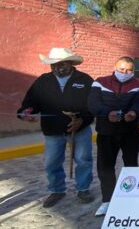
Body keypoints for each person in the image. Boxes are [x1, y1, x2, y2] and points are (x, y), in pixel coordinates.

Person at [17, 48, 94, 208]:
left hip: (79, 129)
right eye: (54, 64)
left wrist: (82, 120)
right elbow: (30, 102)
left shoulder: (85, 80)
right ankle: (57, 190)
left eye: (62, 63)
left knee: (83, 160)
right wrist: (26, 112)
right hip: (52, 131)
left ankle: (83, 189)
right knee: (51, 163)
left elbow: (93, 106)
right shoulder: (43, 81)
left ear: (71, 63)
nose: (57, 67)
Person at [88, 56, 139, 217]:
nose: (125, 73)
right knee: (105, 167)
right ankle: (107, 200)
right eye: (122, 69)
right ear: (115, 67)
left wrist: (134, 113)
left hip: (130, 132)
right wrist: (107, 113)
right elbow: (93, 104)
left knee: (131, 164)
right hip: (106, 132)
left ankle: (130, 198)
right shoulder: (100, 82)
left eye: (129, 70)